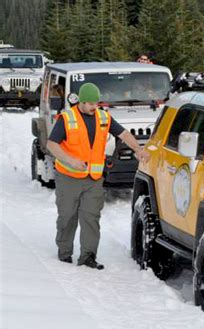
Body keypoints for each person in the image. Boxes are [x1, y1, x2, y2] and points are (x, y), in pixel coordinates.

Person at [47, 83, 150, 270]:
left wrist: (138, 149)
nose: (95, 107)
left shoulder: (103, 117)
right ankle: (64, 252)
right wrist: (70, 161)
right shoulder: (67, 118)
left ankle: (88, 256)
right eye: (90, 104)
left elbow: (124, 133)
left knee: (91, 218)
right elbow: (52, 145)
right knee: (67, 217)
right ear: (81, 101)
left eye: (96, 103)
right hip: (68, 177)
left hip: (93, 179)